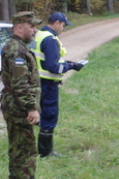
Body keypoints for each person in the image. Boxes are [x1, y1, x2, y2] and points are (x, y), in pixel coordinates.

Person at [1, 12, 48, 179]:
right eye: (32, 26)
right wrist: (31, 108)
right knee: (25, 148)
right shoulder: (16, 50)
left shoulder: (17, 47)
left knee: (18, 145)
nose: (35, 30)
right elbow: (20, 83)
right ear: (20, 27)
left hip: (15, 104)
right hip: (19, 106)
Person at [31, 12, 84, 158]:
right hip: (48, 84)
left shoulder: (39, 34)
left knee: (39, 115)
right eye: (63, 25)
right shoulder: (50, 39)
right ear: (57, 23)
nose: (64, 28)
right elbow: (53, 67)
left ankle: (38, 149)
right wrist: (71, 66)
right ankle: (46, 152)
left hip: (37, 81)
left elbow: (44, 60)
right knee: (49, 116)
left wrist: (68, 63)